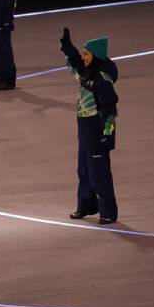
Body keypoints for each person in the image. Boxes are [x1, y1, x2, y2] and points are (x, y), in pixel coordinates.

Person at [59, 28, 119, 224]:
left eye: (87, 54)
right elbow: (77, 64)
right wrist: (69, 49)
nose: (83, 57)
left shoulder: (102, 78)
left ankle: (108, 211)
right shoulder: (89, 73)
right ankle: (86, 205)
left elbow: (110, 107)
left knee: (99, 172)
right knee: (83, 170)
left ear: (96, 56)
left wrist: (105, 134)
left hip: (96, 130)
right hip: (84, 128)